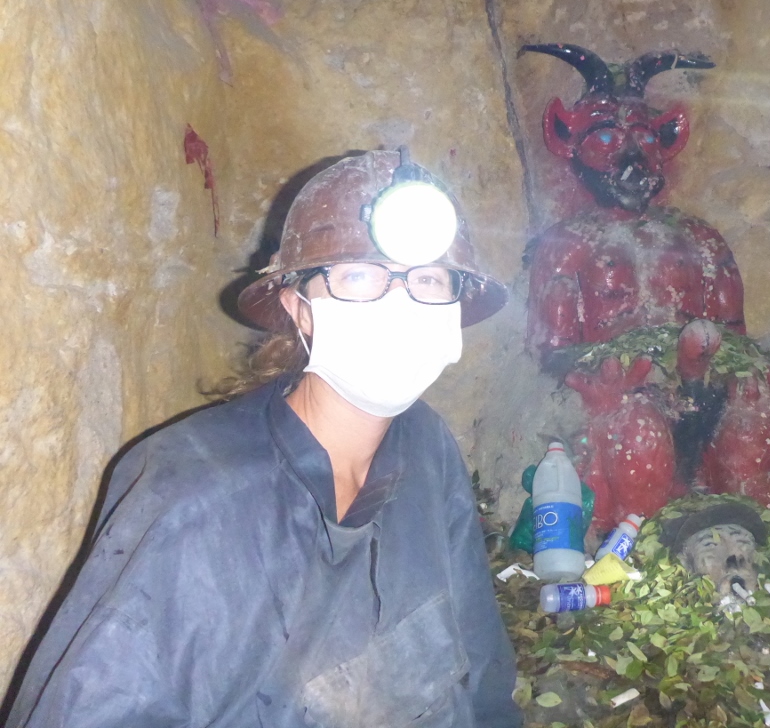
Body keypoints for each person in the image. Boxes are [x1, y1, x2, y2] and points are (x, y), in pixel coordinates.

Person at [7, 149, 523, 727]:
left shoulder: (427, 449)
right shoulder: (194, 498)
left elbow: (481, 666)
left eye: (427, 279)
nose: (399, 303)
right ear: (298, 308)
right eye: (359, 277)